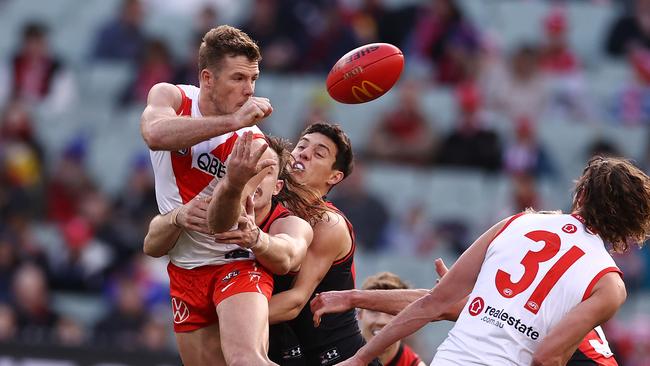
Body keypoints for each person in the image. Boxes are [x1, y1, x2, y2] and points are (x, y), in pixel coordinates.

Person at [318, 156, 650, 365]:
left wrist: (361, 358)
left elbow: (435, 303)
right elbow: (548, 357)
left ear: (580, 195)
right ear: (630, 224)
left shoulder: (518, 222)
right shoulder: (609, 284)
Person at [140, 24, 276, 365]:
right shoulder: (171, 96)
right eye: (239, 78)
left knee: (246, 361)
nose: (249, 90)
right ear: (207, 78)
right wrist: (232, 122)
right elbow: (155, 134)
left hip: (234, 262)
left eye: (254, 79)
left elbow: (221, 223)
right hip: (184, 268)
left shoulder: (254, 144)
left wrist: (231, 183)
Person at [143, 133, 320, 365]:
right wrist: (176, 217)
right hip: (188, 279)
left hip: (243, 275)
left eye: (264, 171)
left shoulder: (288, 222)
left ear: (277, 187)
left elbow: (290, 256)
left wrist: (257, 239)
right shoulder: (205, 204)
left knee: (244, 361)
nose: (253, 178)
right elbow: (151, 247)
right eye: (249, 169)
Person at [312, 259, 620, 365]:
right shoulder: (542, 306)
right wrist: (354, 298)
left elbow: (434, 304)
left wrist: (353, 298)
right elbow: (434, 302)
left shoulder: (531, 309)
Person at [358, 272, 426, 366]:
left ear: (407, 319)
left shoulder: (413, 364)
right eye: (373, 310)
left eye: (392, 312)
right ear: (359, 314)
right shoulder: (339, 353)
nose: (382, 321)